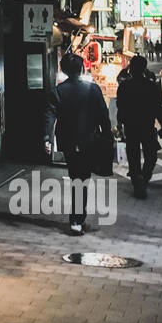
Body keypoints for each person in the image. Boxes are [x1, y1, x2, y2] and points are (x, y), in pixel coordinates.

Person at [45, 52, 112, 235]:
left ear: (64, 70)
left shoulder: (58, 91)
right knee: (82, 178)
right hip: (89, 140)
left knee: (76, 177)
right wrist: (107, 135)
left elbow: (50, 116)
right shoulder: (93, 89)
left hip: (68, 141)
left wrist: (47, 139)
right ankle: (77, 219)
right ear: (81, 68)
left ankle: (76, 218)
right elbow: (103, 116)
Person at [117, 54, 162, 199]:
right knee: (151, 154)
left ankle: (137, 181)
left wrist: (120, 123)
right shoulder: (151, 86)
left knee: (133, 155)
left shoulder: (125, 86)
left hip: (131, 125)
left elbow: (120, 106)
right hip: (147, 124)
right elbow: (157, 105)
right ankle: (144, 176)